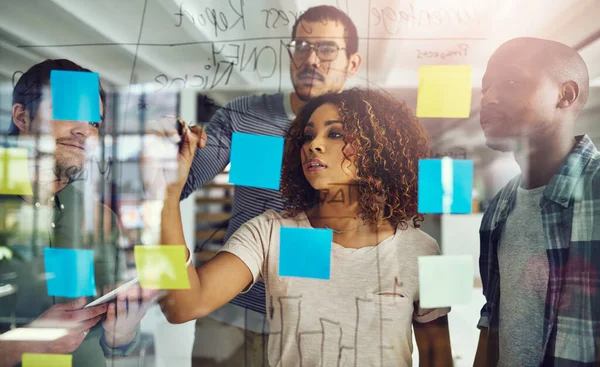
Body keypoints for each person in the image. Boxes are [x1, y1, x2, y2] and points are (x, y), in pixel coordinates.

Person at [158, 88, 453, 366]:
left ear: (378, 150)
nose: (313, 144)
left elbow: (438, 358)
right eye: (308, 136)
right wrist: (168, 197)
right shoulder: (271, 233)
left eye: (335, 133)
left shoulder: (424, 249)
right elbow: (180, 305)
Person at [173, 5, 362, 365]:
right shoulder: (246, 117)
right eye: (301, 46)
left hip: (316, 318)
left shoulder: (365, 136)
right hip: (231, 314)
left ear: (353, 63)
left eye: (326, 49)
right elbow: (182, 182)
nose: (311, 59)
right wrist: (171, 155)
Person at [0, 59, 154, 367]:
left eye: (94, 123)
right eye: (69, 111)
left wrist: (121, 331)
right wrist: (25, 345)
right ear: (21, 115)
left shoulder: (99, 219)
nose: (84, 130)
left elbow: (116, 344)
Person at [473, 37, 599, 366]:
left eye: (511, 82)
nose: (489, 99)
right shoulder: (500, 207)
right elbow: (493, 321)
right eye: (486, 87)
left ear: (565, 95)